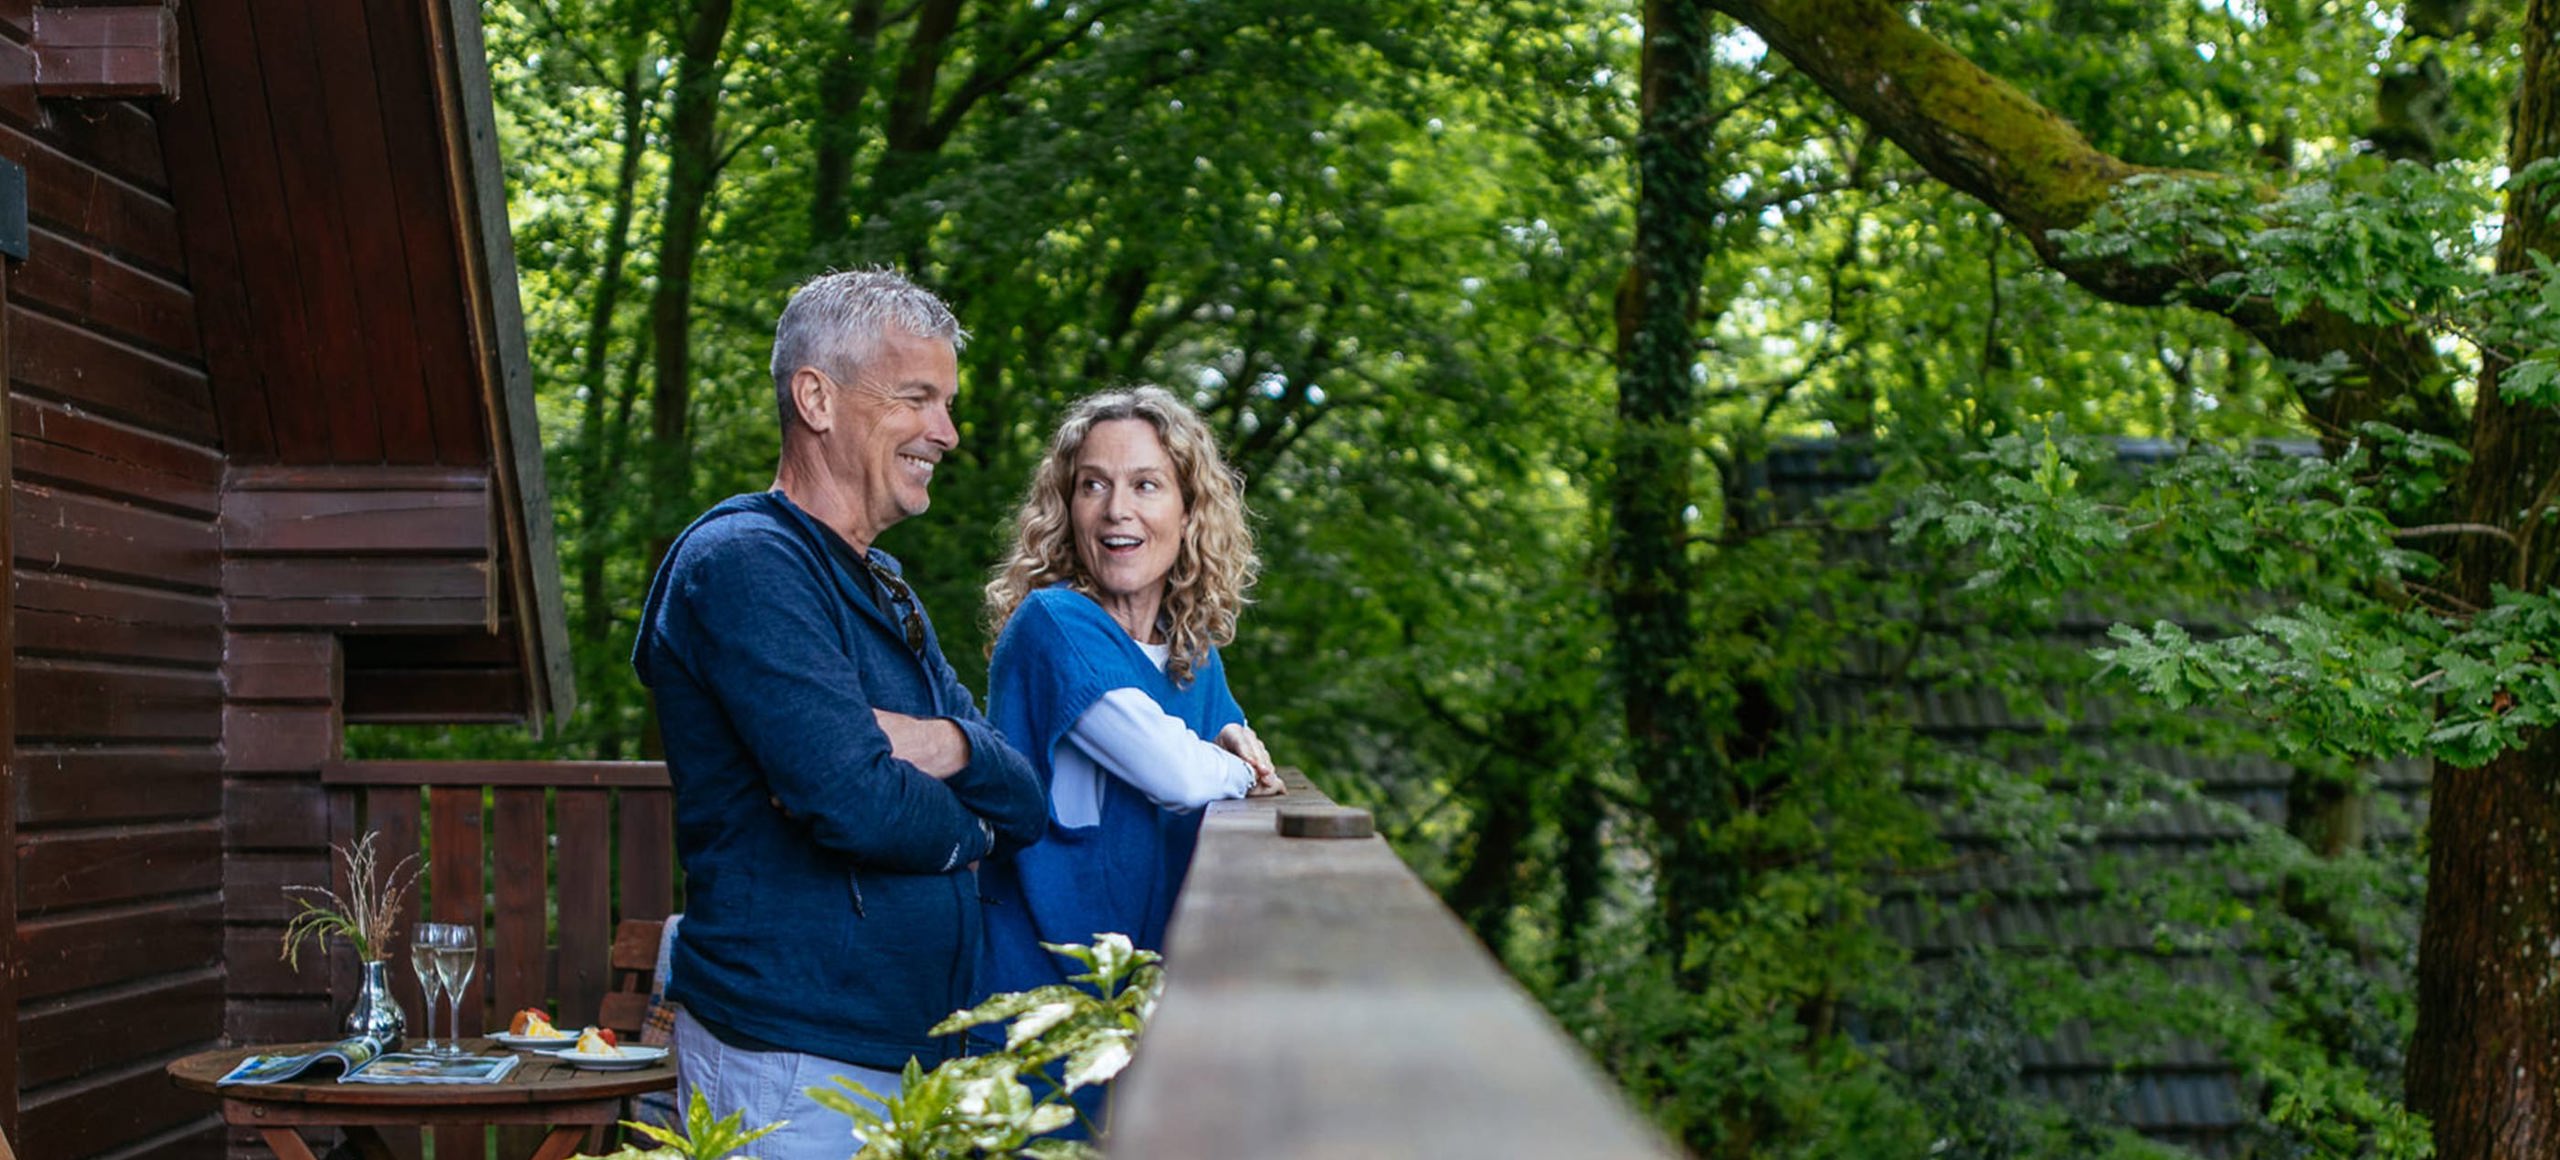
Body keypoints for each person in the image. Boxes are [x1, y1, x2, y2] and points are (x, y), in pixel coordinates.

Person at [632, 269, 1046, 1158]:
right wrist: (970, 826)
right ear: (815, 398)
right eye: (918, 398)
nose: (948, 432)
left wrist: (937, 743)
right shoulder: (745, 563)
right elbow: (852, 801)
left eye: (948, 402)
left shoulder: (886, 587)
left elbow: (1023, 791)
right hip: (791, 1063)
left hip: (907, 1056)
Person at [972, 386, 1283, 1125]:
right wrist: (1235, 765)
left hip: (1145, 1022)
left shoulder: (1190, 655)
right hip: (1039, 1013)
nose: (1117, 510)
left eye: (1146, 485)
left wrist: (1234, 748)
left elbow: (1231, 739)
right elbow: (1180, 771)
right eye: (1093, 485)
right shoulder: (1054, 623)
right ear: (1067, 508)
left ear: (1187, 510)